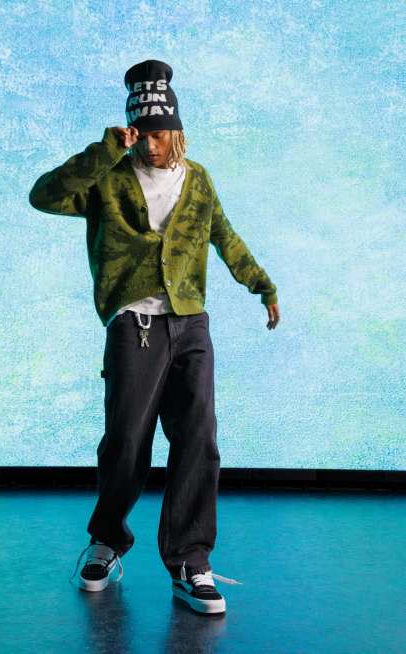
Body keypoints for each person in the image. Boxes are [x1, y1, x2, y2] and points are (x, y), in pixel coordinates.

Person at [29, 59, 280, 615]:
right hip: (133, 328)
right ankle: (106, 542)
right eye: (141, 132)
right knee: (125, 441)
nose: (151, 143)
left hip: (191, 326)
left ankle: (190, 561)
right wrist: (104, 151)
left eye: (160, 133)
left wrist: (262, 285)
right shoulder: (109, 178)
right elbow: (43, 195)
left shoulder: (199, 180)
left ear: (177, 130)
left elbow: (225, 237)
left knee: (198, 440)